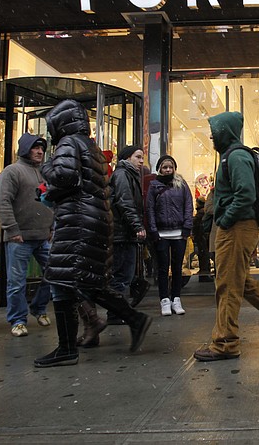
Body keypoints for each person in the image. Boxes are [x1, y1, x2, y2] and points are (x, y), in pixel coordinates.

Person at [34, 99, 152, 367]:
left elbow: (64, 177)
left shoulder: (68, 144)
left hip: (76, 221)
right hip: (93, 219)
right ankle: (135, 320)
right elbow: (83, 184)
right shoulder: (90, 146)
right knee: (87, 280)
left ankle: (66, 348)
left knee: (63, 280)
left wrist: (46, 168)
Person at [193, 112, 259, 361]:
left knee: (228, 285)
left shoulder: (237, 156)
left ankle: (226, 343)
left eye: (215, 131)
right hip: (237, 226)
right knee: (240, 282)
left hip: (238, 227)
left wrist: (225, 219)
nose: (211, 136)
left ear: (225, 132)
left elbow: (245, 194)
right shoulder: (232, 156)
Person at [0, 132, 54, 337]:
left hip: (43, 235)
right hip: (19, 237)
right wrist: (12, 230)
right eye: (35, 148)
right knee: (16, 282)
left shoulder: (45, 173)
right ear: (25, 149)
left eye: (42, 149)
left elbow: (51, 201)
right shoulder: (12, 172)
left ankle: (38, 308)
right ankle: (18, 320)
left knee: (54, 274)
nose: (39, 152)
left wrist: (51, 228)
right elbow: (2, 203)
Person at [102, 144, 147, 329]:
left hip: (125, 233)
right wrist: (137, 226)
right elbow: (125, 202)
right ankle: (115, 313)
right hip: (122, 233)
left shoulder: (130, 174)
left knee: (123, 275)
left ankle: (117, 311)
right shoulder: (122, 175)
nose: (141, 160)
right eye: (138, 157)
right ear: (127, 158)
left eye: (142, 157)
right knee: (121, 275)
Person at [146, 154, 192, 316]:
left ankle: (176, 299)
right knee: (163, 268)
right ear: (159, 168)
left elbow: (188, 205)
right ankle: (164, 300)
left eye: (170, 167)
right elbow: (150, 209)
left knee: (178, 268)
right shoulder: (154, 186)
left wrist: (187, 227)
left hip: (179, 233)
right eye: (164, 167)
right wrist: (153, 230)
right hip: (161, 233)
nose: (167, 170)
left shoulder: (181, 184)